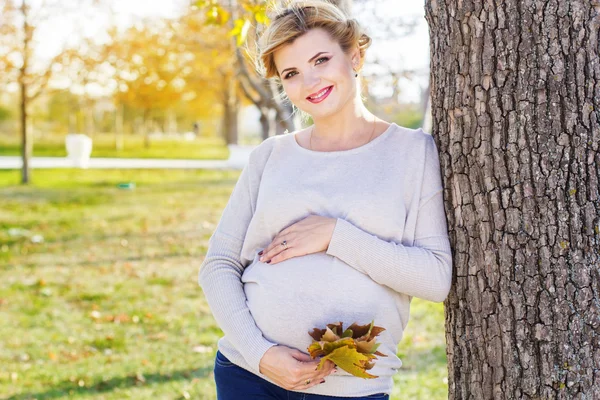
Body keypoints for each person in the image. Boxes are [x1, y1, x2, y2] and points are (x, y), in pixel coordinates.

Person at [198, 1, 453, 399]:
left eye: (321, 59)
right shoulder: (270, 155)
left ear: (355, 55)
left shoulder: (412, 152)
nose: (310, 81)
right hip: (248, 375)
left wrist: (336, 235)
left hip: (348, 387)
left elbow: (436, 278)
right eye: (292, 73)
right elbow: (219, 265)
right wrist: (259, 352)